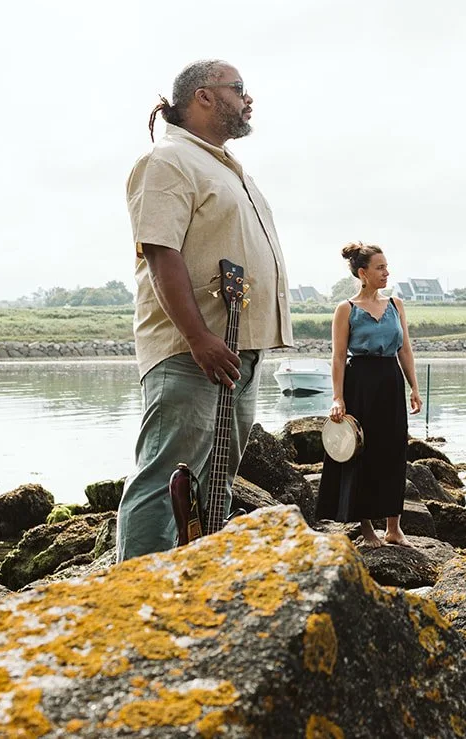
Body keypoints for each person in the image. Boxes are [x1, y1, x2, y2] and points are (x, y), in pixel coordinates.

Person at [116, 59, 293, 561]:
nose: (248, 99)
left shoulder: (220, 165)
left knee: (216, 488)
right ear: (203, 97)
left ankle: (197, 593)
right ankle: (135, 600)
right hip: (192, 352)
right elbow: (160, 252)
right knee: (165, 478)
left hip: (236, 351)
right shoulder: (168, 161)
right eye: (238, 89)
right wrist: (197, 338)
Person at [319, 243, 423, 549]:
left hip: (390, 381)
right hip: (360, 383)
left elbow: (404, 349)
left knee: (393, 452)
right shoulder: (346, 310)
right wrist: (338, 397)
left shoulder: (396, 304)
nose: (386, 272)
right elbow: (338, 357)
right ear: (363, 273)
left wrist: (414, 387)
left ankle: (394, 527)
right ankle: (365, 527)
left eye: (387, 267)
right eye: (380, 267)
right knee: (362, 453)